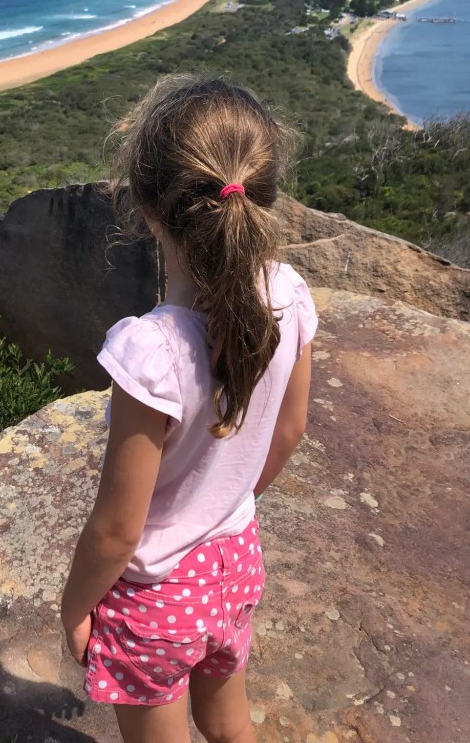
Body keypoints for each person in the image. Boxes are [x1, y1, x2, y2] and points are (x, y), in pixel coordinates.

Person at [60, 77, 317, 743]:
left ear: (147, 208)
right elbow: (289, 430)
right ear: (264, 195)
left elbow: (119, 530)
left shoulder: (150, 353)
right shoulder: (289, 293)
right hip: (235, 561)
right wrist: (223, 501)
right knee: (230, 722)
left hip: (155, 598)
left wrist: (74, 606)